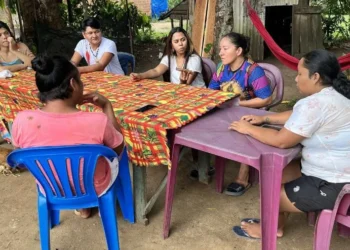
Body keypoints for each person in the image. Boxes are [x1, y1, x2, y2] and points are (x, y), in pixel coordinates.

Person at [229, 49, 350, 239]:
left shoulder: (316, 104)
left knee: (269, 193)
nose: (296, 79)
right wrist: (265, 118)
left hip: (334, 184)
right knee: (277, 175)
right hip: (337, 174)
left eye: (300, 74)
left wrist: (248, 129)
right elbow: (297, 114)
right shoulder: (335, 94)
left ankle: (267, 230)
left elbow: (281, 141)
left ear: (316, 76)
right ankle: (276, 226)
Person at [11, 55, 124, 219]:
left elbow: (20, 158)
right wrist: (107, 106)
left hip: (50, 186)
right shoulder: (98, 121)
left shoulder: (22, 120)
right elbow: (118, 150)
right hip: (94, 188)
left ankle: (82, 208)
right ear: (73, 84)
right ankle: (95, 204)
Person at [191, 32, 272, 195]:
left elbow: (266, 99)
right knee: (202, 121)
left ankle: (243, 177)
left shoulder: (252, 71)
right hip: (226, 110)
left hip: (249, 112)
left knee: (246, 129)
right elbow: (211, 91)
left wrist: (238, 103)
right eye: (220, 48)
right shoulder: (221, 69)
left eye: (225, 48)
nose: (220, 52)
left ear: (239, 51)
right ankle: (206, 166)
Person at [130, 27, 206, 87]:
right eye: (176, 41)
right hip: (179, 93)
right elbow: (156, 71)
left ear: (188, 41)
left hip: (197, 96)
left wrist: (182, 82)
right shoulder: (169, 58)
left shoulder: (194, 59)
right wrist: (140, 75)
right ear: (171, 45)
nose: (181, 44)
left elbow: (187, 84)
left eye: (183, 40)